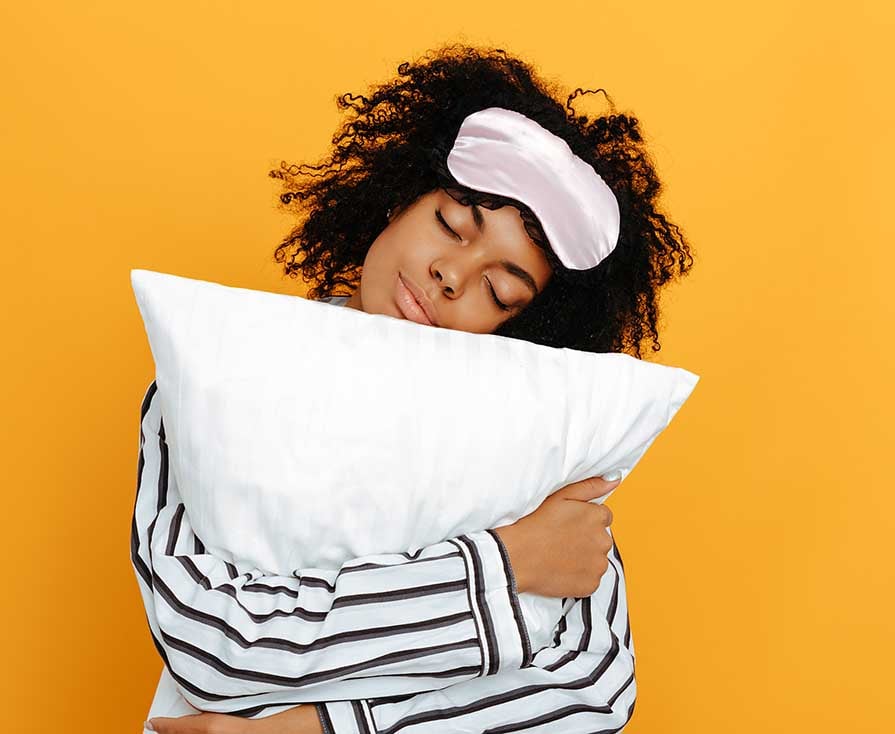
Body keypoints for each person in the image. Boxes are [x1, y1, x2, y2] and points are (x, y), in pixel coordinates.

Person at [134, 43, 694, 734]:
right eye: (451, 225)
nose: (451, 275)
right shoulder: (223, 368)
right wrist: (502, 566)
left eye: (500, 290)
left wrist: (313, 727)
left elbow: (589, 689)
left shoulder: (531, 428)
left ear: (521, 326)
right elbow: (212, 641)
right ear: (398, 198)